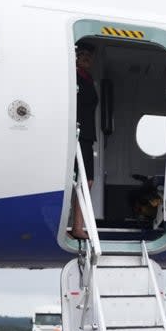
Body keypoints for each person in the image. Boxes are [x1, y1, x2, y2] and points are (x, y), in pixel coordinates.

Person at [71, 42, 99, 239]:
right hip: (78, 135)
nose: (86, 57)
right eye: (82, 54)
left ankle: (78, 225)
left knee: (88, 181)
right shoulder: (73, 77)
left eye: (89, 54)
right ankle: (77, 227)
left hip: (87, 136)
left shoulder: (87, 79)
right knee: (82, 181)